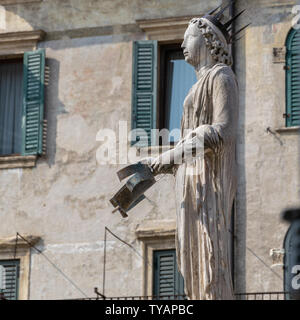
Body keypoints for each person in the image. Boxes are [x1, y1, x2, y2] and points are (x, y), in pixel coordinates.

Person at [145, 10, 240, 299]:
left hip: (207, 181)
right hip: (189, 179)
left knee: (208, 252)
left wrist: (170, 157)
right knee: (190, 259)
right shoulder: (194, 86)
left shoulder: (221, 76)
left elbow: (222, 130)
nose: (183, 43)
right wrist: (168, 160)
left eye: (189, 36)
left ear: (208, 40)